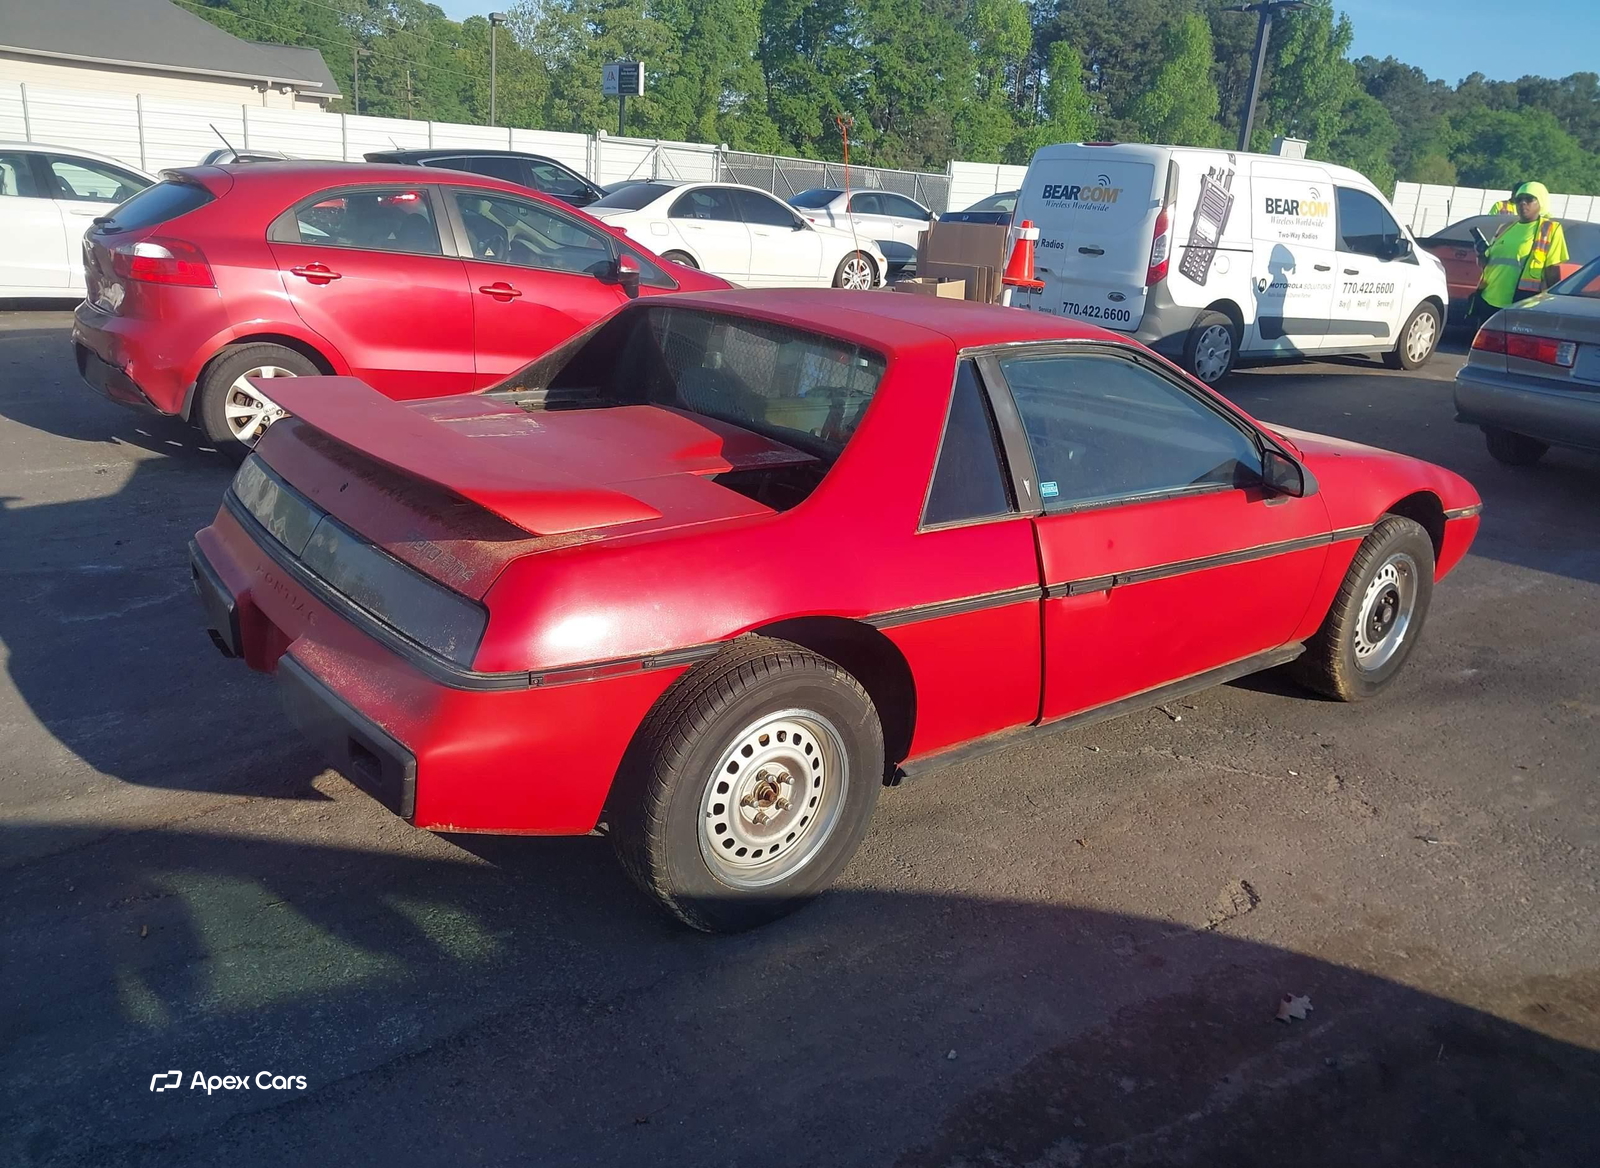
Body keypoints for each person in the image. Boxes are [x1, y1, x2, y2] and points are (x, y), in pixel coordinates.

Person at [1469, 181, 1569, 326]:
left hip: (1521, 303)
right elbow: (1485, 265)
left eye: (1529, 199)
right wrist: (1480, 254)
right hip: (1488, 299)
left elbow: (1552, 270)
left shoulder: (1550, 229)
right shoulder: (1505, 228)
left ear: (1541, 201)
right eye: (1518, 199)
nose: (1522, 203)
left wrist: (1551, 304)